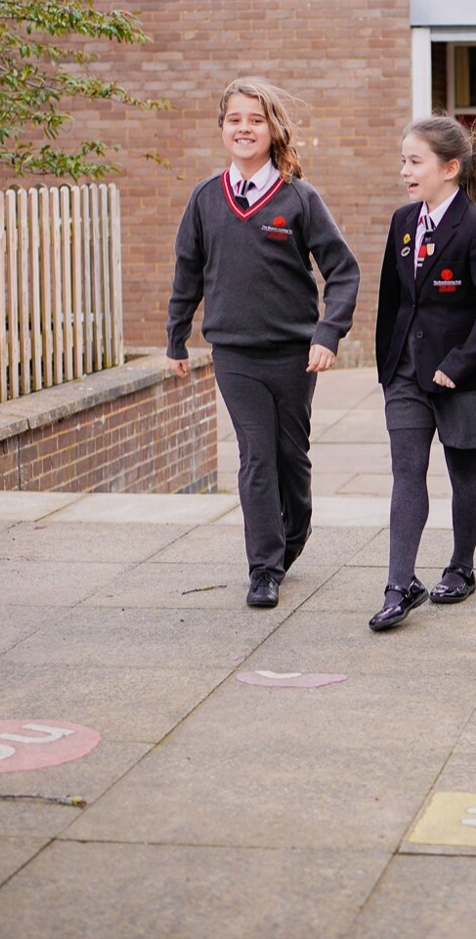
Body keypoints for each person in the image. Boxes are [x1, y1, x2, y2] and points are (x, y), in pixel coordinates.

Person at [166, 77, 359, 608]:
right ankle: (263, 568)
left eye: (256, 119)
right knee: (255, 455)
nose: (244, 128)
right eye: (235, 119)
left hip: (295, 355)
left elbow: (343, 270)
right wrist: (176, 338)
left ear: (274, 129)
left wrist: (328, 333)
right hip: (234, 353)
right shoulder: (206, 198)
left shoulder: (299, 197)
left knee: (290, 456)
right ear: (222, 128)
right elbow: (188, 272)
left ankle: (294, 534)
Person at [369, 115, 476, 632]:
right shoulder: (402, 222)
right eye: (403, 160)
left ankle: (461, 567)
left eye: (415, 161)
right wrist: (389, 366)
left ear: (450, 168)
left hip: (464, 375)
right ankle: (399, 584)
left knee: (462, 471)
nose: (405, 171)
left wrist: (456, 365)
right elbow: (392, 300)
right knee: (406, 472)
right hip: (406, 373)